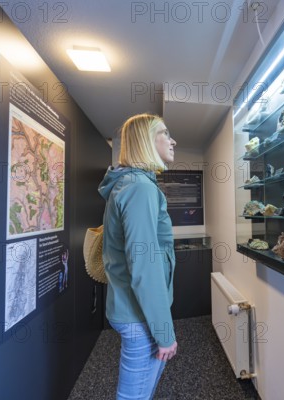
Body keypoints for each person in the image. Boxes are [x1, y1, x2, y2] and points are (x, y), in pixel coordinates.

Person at [98, 113, 178, 400]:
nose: (173, 141)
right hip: (139, 315)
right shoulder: (140, 188)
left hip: (134, 310)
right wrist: (164, 332)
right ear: (146, 140)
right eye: (165, 134)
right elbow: (144, 265)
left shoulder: (129, 184)